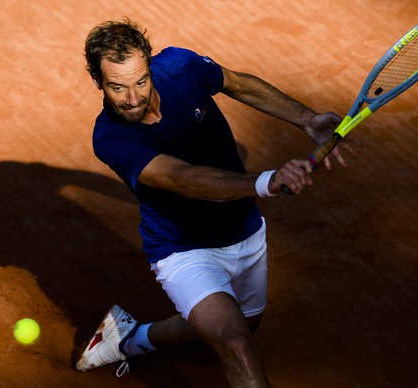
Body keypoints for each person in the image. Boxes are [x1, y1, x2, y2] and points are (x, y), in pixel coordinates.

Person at [75, 18, 361, 387]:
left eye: (140, 81)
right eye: (118, 87)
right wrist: (266, 181)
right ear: (99, 82)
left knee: (244, 328)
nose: (133, 98)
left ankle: (132, 338)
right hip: (183, 250)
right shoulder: (111, 137)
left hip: (245, 231)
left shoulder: (180, 66)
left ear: (150, 64)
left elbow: (238, 84)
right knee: (237, 345)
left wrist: (307, 119)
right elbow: (184, 180)